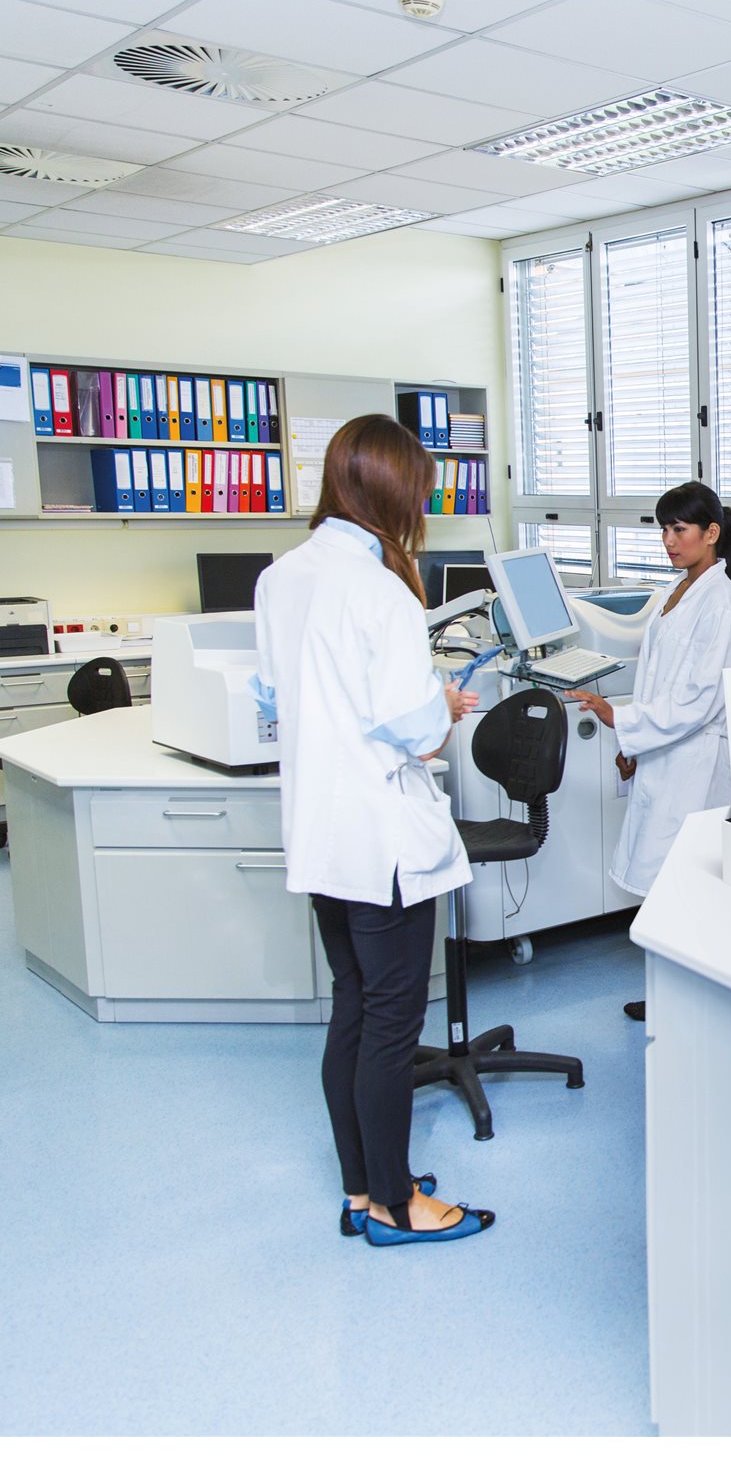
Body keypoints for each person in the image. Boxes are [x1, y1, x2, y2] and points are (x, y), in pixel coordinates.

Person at [251, 414, 494, 1247]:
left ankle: (363, 1189)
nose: (421, 509)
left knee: (352, 1009)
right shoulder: (380, 589)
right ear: (394, 493)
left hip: (321, 835)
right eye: (419, 494)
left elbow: (275, 698)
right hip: (383, 841)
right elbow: (417, 733)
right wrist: (443, 703)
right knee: (391, 1025)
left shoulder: (282, 577)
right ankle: (397, 1204)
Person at [565, 481, 731, 1021]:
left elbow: (697, 699)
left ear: (710, 533)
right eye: (664, 528)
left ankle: (689, 997)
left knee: (684, 882)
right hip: (662, 751)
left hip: (692, 760)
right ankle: (672, 991)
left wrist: (622, 719)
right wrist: (632, 744)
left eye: (679, 529)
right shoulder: (679, 589)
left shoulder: (719, 601)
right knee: (670, 884)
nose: (668, 540)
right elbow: (657, 679)